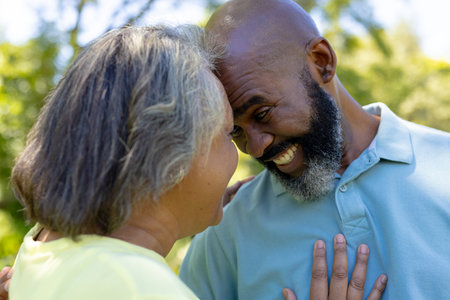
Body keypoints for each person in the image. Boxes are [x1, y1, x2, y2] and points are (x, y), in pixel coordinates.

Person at [1, 24, 386, 300]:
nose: (247, 153)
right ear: (169, 152)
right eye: (227, 133)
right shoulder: (140, 288)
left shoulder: (40, 246)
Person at [179, 0, 450, 299]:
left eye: (263, 113)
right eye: (236, 131)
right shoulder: (228, 228)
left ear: (322, 62)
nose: (255, 148)